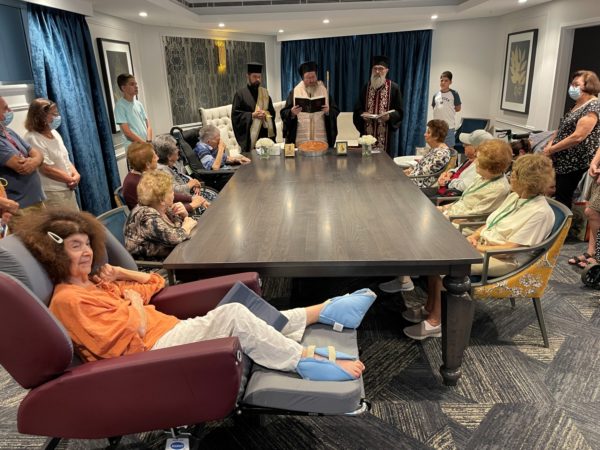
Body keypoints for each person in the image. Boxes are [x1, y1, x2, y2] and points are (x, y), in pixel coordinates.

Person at [16, 208, 377, 381]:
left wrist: (124, 274)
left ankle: (322, 310)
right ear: (55, 253)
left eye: (87, 244)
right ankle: (303, 360)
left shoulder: (97, 283)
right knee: (233, 314)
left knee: (241, 304)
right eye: (75, 247)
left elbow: (155, 283)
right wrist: (135, 303)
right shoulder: (69, 300)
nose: (86, 253)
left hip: (169, 333)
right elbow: (130, 337)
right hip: (152, 353)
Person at [403, 154, 555, 340]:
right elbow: (491, 223)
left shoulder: (540, 212)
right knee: (436, 255)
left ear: (527, 181)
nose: (510, 177)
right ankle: (430, 308)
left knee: (444, 264)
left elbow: (512, 248)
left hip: (505, 259)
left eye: (514, 174)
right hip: (486, 247)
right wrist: (475, 236)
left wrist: (479, 248)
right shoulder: (515, 197)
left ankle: (436, 322)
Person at [542, 70, 600, 210]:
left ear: (589, 86)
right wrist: (550, 144)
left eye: (576, 84)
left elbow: (578, 136)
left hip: (574, 163)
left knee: (563, 198)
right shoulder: (577, 105)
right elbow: (561, 128)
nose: (572, 87)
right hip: (561, 158)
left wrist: (552, 149)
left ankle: (564, 223)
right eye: (571, 84)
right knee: (556, 193)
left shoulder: (593, 106)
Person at [124, 170, 197, 260]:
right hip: (155, 265)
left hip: (174, 255)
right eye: (171, 191)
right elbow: (174, 238)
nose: (173, 194)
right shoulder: (146, 216)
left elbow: (179, 228)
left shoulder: (162, 207)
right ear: (162, 200)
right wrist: (186, 226)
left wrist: (184, 216)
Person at [23, 98, 80, 210]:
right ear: (41, 117)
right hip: (53, 192)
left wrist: (76, 175)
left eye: (57, 113)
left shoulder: (54, 133)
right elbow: (46, 169)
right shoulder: (33, 138)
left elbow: (65, 159)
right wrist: (70, 180)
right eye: (54, 114)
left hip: (67, 187)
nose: (57, 116)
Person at [123, 142, 208, 212]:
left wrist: (192, 198)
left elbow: (168, 194)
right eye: (154, 156)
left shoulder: (142, 175)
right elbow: (159, 212)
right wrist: (191, 205)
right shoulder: (137, 183)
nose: (157, 158)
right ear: (147, 164)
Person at [438, 139, 512, 220]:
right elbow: (463, 201)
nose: (475, 162)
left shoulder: (499, 189)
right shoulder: (483, 176)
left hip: (458, 223)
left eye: (478, 159)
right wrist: (442, 209)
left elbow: (473, 216)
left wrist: (443, 216)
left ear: (489, 167)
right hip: (451, 213)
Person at [0, 96, 45, 215]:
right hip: (20, 206)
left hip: (36, 198)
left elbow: (37, 153)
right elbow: (22, 167)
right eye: (5, 108)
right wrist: (36, 160)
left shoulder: (8, 131)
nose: (10, 110)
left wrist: (35, 160)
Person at [281, 61, 340, 148]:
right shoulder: (295, 92)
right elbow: (284, 112)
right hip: (300, 139)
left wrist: (328, 111)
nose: (311, 80)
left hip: (321, 139)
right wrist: (292, 113)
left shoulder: (324, 91)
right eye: (308, 78)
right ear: (303, 78)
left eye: (313, 77)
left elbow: (335, 110)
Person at [353, 56, 403, 156]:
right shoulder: (366, 87)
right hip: (367, 133)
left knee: (385, 162)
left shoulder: (394, 88)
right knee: (366, 160)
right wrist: (363, 114)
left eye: (380, 69)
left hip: (385, 135)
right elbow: (358, 108)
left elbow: (399, 111)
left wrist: (389, 117)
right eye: (375, 69)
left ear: (386, 71)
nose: (377, 72)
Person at [154, 135, 217, 213]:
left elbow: (182, 177)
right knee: (215, 205)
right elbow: (175, 191)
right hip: (184, 203)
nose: (178, 150)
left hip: (192, 194)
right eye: (176, 148)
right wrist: (190, 184)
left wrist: (194, 183)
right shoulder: (162, 171)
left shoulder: (173, 164)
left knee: (216, 200)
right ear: (169, 156)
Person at [232, 62, 277, 153]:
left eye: (259, 77)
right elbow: (236, 116)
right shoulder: (240, 94)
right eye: (254, 77)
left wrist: (266, 114)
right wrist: (252, 115)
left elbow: (272, 112)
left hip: (265, 135)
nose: (257, 79)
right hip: (250, 138)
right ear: (248, 76)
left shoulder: (265, 93)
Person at [434, 129, 494, 197]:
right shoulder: (470, 160)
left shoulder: (479, 167)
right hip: (444, 190)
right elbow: (458, 170)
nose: (463, 146)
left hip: (448, 197)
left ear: (476, 149)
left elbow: (464, 186)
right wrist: (450, 173)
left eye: (466, 144)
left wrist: (447, 182)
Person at [404, 119, 452, 188]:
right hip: (414, 179)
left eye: (428, 132)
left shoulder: (441, 154)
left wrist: (404, 175)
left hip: (417, 186)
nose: (425, 134)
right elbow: (421, 169)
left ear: (436, 136)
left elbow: (422, 175)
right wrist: (409, 170)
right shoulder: (435, 149)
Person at [114, 73, 153, 145]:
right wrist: (144, 144)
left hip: (146, 145)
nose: (136, 86)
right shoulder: (120, 106)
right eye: (132, 84)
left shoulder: (139, 104)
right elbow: (127, 133)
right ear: (123, 88)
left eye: (136, 84)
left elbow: (149, 126)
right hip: (134, 147)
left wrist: (149, 141)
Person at [431, 71, 462, 148]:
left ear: (450, 82)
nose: (443, 82)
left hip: (449, 128)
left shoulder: (454, 94)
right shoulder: (436, 95)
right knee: (436, 149)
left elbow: (458, 108)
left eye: (446, 81)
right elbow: (435, 108)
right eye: (441, 80)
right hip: (437, 128)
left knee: (449, 150)